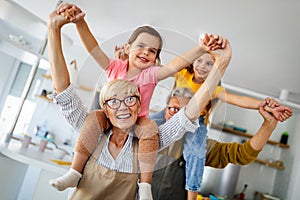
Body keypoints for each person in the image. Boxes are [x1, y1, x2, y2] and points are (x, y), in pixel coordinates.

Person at [47, 5, 232, 199]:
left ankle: (145, 186)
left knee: (150, 126)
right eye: (141, 46)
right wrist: (67, 25)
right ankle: (74, 172)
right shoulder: (94, 128)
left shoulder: (147, 139)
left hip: (142, 125)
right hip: (99, 124)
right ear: (127, 48)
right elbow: (70, 80)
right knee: (94, 117)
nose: (124, 107)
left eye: (152, 51)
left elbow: (188, 105)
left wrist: (211, 56)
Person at [150, 87, 292, 200]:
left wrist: (269, 123)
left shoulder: (199, 147)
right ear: (165, 112)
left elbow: (243, 154)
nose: (178, 116)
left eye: (185, 111)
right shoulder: (145, 138)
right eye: (174, 109)